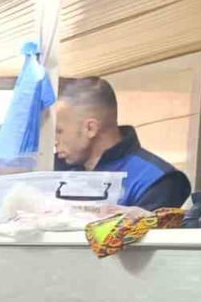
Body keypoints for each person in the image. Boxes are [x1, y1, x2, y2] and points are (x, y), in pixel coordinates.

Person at [55, 76, 192, 210]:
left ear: (90, 128)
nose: (54, 141)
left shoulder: (159, 180)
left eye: (59, 131)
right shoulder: (52, 170)